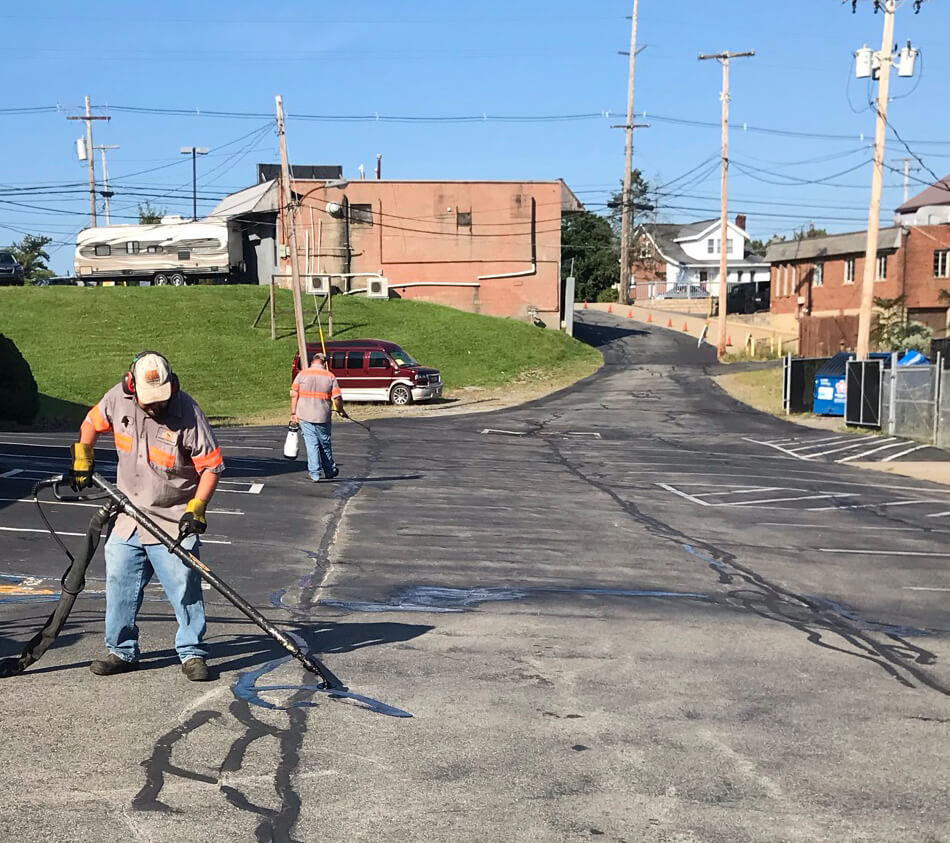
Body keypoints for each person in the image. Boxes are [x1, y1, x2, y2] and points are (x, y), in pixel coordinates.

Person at [67, 351, 225, 682]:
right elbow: (90, 424)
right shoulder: (117, 399)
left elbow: (210, 466)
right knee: (119, 585)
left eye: (162, 399)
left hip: (172, 517)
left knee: (184, 588)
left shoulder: (187, 411)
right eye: (148, 400)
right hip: (128, 514)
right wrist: (83, 456)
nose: (156, 407)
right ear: (131, 386)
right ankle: (122, 651)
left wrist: (197, 507)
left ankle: (192, 652)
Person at [290, 351, 344, 483]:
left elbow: (294, 394)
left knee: (311, 444)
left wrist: (293, 413)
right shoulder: (329, 376)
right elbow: (337, 398)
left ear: (312, 361)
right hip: (322, 416)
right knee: (324, 444)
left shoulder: (302, 374)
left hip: (304, 415)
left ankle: (314, 473)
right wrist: (341, 410)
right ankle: (329, 470)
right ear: (324, 363)